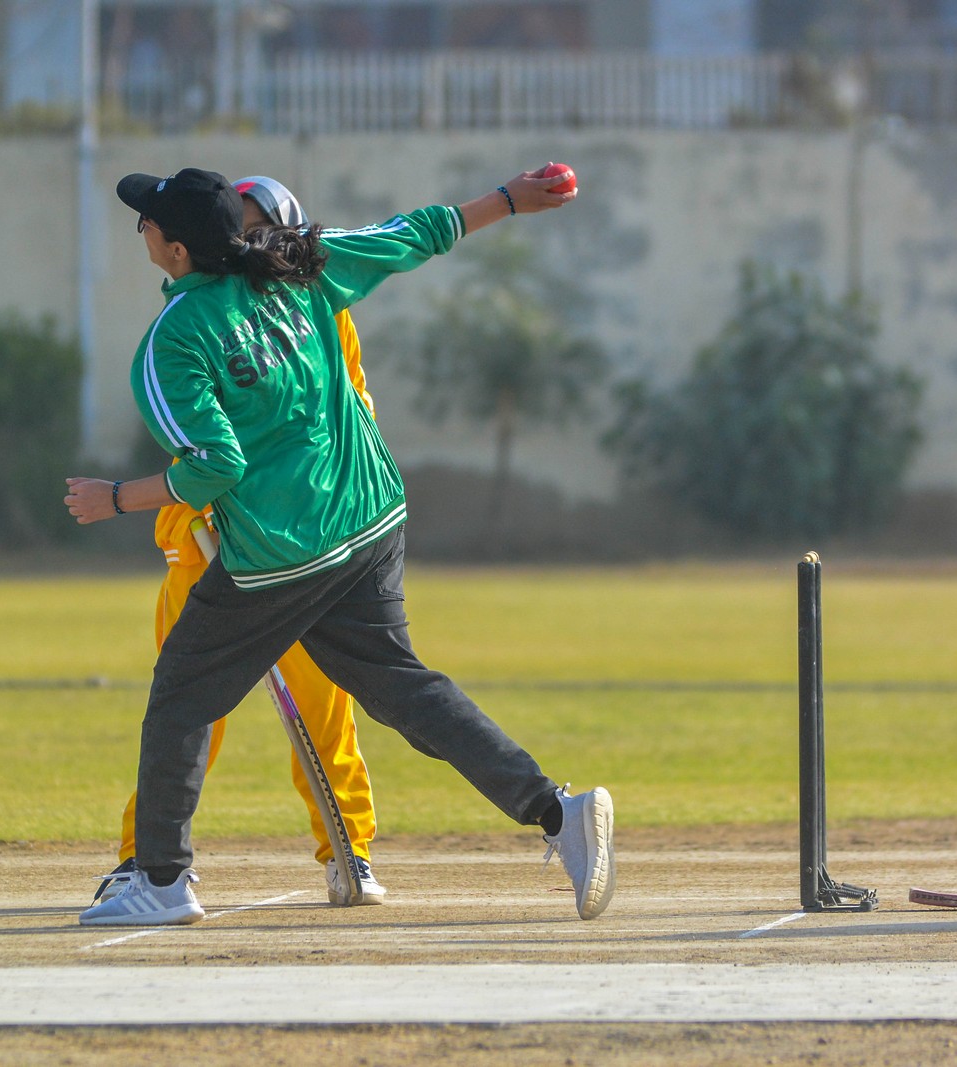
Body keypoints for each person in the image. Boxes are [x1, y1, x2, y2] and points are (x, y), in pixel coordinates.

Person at [64, 163, 613, 927]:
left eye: (146, 223)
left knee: (182, 697)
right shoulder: (300, 266)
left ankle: (160, 880)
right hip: (370, 519)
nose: (142, 231)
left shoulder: (175, 338)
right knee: (402, 689)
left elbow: (216, 467)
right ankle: (557, 810)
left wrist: (116, 497)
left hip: (283, 552)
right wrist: (509, 201)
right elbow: (413, 235)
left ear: (178, 250)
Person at [93, 175, 387, 909]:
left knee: (325, 709)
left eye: (259, 231)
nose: (245, 244)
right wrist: (195, 522)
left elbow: (344, 416)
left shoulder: (315, 303)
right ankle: (144, 860)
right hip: (201, 540)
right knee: (186, 709)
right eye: (238, 230)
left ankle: (348, 848)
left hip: (296, 542)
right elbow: (200, 445)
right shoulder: (200, 314)